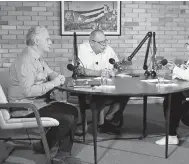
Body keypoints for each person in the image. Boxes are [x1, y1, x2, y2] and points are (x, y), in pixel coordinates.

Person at [8, 25, 79, 162]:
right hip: (24, 107)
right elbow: (28, 91)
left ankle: (59, 152)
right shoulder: (26, 60)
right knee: (66, 117)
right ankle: (56, 154)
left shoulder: (37, 57)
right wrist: (54, 83)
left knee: (73, 111)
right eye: (47, 39)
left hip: (37, 102)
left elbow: (50, 72)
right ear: (36, 41)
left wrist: (58, 77)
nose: (51, 42)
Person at [75, 30, 130, 134]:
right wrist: (99, 72)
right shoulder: (81, 49)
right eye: (101, 42)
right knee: (97, 98)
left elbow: (116, 66)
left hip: (106, 86)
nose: (105, 45)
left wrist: (115, 70)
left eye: (105, 41)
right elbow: (79, 70)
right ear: (92, 43)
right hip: (88, 88)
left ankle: (110, 119)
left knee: (126, 92)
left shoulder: (108, 50)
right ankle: (98, 123)